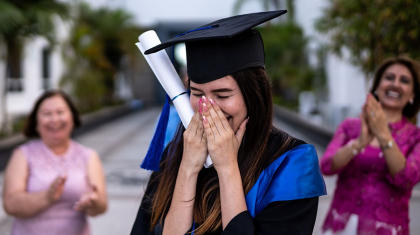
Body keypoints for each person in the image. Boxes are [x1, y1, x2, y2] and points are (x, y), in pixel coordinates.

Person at [131, 10, 326, 235]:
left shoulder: (290, 162)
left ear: (254, 96)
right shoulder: (175, 154)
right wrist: (188, 168)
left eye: (222, 95)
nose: (207, 107)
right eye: (196, 93)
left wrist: (227, 168)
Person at [320, 56, 420, 235]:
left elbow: (406, 180)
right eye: (389, 77)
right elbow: (326, 166)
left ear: (412, 94)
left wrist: (383, 134)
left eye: (404, 81)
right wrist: (359, 143)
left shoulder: (415, 137)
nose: (395, 84)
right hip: (340, 225)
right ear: (377, 86)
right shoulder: (350, 126)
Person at [3, 90, 108, 235]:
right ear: (36, 122)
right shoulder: (22, 154)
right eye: (47, 113)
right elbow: (10, 205)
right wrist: (47, 196)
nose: (54, 119)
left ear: (72, 117)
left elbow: (101, 207)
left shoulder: (89, 156)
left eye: (60, 112)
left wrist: (94, 202)